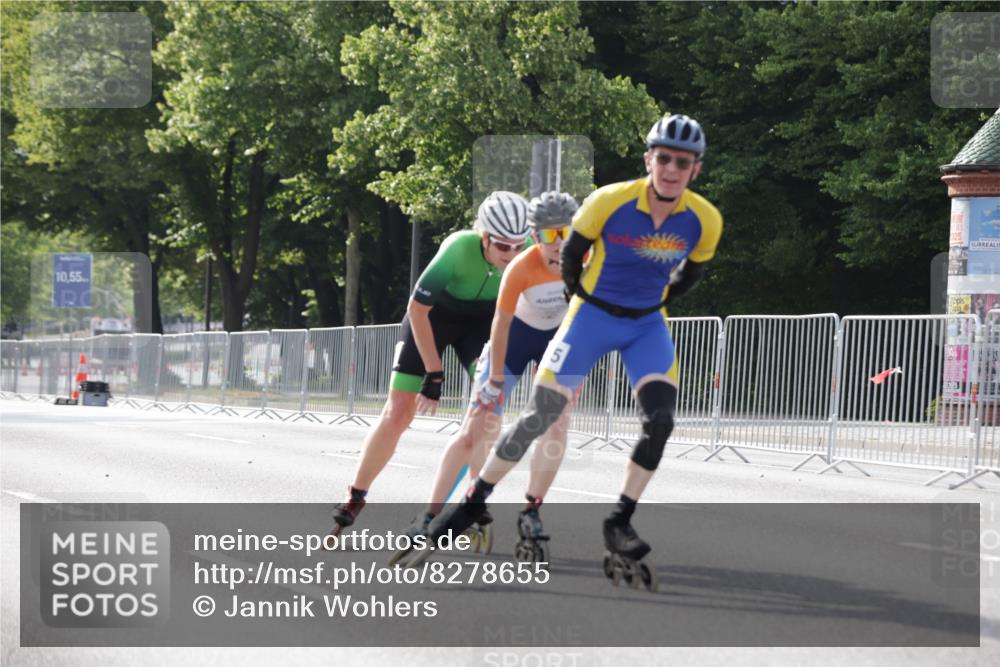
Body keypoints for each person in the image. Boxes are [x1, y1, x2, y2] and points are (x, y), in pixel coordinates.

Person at [421, 114, 723, 580]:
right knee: (520, 418)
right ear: (650, 159)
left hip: (644, 325)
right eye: (663, 158)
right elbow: (541, 290)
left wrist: (649, 304)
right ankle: (460, 506)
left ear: (695, 169)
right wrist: (497, 374)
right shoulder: (601, 208)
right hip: (580, 320)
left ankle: (612, 520)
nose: (670, 169)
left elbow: (691, 277)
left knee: (657, 421)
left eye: (682, 162)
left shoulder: (704, 220)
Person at [331, 191, 531, 532]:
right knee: (398, 413)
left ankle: (472, 498)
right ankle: (356, 494)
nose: (511, 256)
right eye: (502, 247)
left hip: (481, 324)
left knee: (487, 410)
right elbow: (417, 310)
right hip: (433, 319)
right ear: (484, 237)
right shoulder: (458, 248)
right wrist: (434, 374)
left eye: (518, 246)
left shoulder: (526, 256)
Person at [396, 191, 580, 559]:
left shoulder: (589, 261)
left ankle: (532, 512)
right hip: (514, 339)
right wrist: (494, 380)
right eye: (547, 236)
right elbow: (501, 323)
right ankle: (429, 515)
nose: (557, 245)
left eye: (567, 235)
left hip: (559, 340)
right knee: (476, 428)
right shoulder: (522, 265)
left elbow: (592, 315)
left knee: (557, 425)